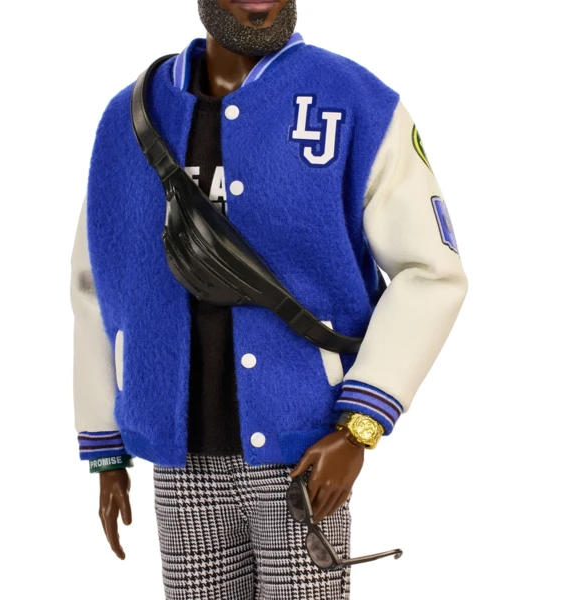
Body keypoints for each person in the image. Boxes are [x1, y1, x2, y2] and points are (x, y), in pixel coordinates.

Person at [70, 1, 468, 598]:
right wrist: (106, 445)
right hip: (181, 457)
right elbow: (96, 284)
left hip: (306, 449)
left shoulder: (354, 102)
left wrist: (358, 426)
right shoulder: (129, 117)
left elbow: (431, 269)